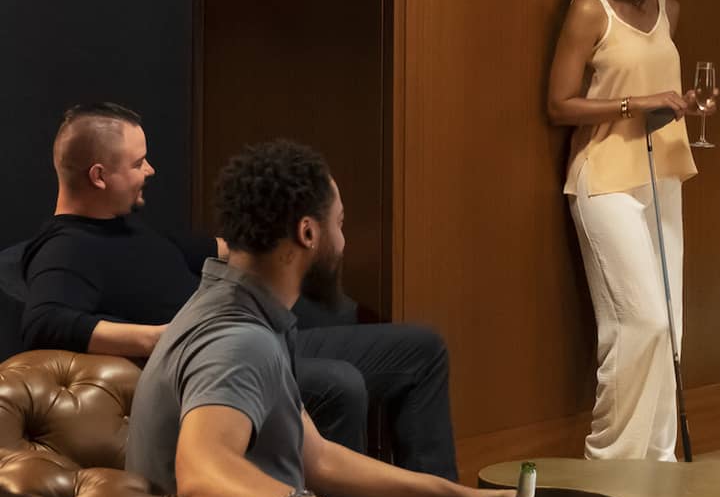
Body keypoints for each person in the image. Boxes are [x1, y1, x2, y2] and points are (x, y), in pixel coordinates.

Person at [127, 139, 537, 497]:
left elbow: (316, 457)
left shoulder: (236, 306)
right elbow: (201, 468)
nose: (344, 240)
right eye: (339, 224)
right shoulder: (241, 341)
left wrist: (456, 494)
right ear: (308, 233)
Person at [19, 103, 458, 477]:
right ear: (99, 176)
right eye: (138, 163)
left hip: (266, 337)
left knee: (422, 349)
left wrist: (303, 233)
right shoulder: (66, 248)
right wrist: (159, 336)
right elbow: (45, 321)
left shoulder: (127, 226)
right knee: (340, 384)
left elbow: (235, 248)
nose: (150, 170)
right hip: (222, 363)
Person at [546, 0, 712, 460]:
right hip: (604, 180)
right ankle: (610, 464)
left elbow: (655, 96)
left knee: (672, 334)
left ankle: (660, 466)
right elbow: (559, 104)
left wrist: (679, 105)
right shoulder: (589, 8)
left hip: (661, 173)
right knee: (640, 324)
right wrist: (635, 104)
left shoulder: (670, 9)